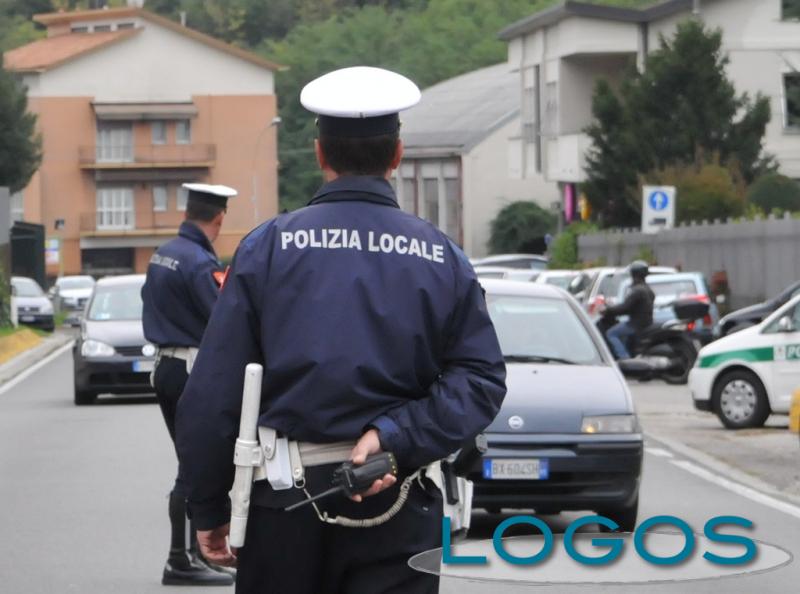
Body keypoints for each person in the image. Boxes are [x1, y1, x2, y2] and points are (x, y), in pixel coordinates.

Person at [175, 66, 507, 594]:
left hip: (283, 506)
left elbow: (214, 392)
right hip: (399, 502)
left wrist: (209, 506)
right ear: (397, 156)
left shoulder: (267, 248)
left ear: (319, 154)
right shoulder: (442, 257)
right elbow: (481, 381)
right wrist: (395, 436)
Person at [141, 182, 238, 587]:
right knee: (194, 466)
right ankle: (182, 559)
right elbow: (224, 320)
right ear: (218, 218)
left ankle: (192, 555)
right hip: (190, 370)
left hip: (165, 365)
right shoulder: (199, 263)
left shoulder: (164, 254)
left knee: (190, 463)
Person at [601, 260, 655, 359]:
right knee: (622, 333)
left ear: (634, 274)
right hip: (645, 323)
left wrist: (608, 310)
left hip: (635, 324)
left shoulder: (637, 291)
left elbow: (625, 307)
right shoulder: (647, 289)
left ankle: (624, 358)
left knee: (611, 333)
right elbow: (630, 308)